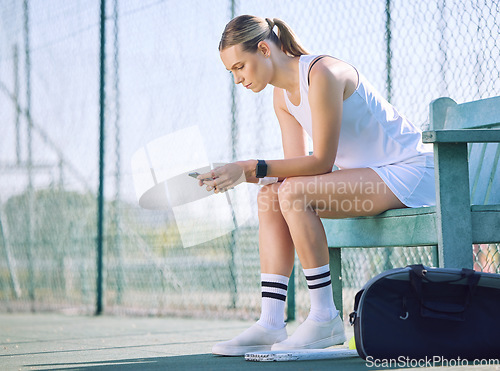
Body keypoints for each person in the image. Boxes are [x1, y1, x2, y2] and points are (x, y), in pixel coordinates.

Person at [197, 15, 435, 356]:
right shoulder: (281, 97)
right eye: (232, 72)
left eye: (240, 67)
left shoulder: (322, 73)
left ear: (264, 49)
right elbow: (294, 169)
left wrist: (251, 167)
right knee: (271, 195)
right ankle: (271, 322)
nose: (237, 79)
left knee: (291, 192)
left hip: (411, 171)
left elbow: (321, 161)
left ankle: (324, 317)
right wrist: (241, 175)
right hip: (371, 177)